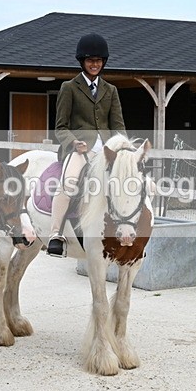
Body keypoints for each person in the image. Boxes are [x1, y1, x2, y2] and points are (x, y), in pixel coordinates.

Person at [47, 33, 126, 257]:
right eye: (91, 60)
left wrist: (123, 148)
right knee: (70, 182)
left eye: (98, 61)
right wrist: (74, 143)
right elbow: (60, 127)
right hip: (79, 150)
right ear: (82, 61)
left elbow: (118, 126)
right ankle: (56, 234)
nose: (95, 64)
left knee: (128, 181)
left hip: (106, 150)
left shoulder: (111, 91)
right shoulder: (69, 88)